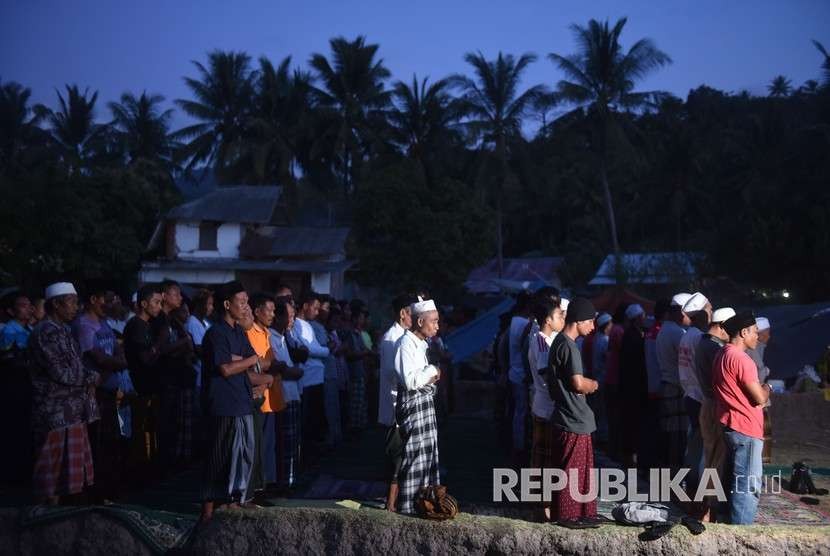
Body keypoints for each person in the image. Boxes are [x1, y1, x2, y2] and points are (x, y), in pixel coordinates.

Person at [28, 282, 99, 504]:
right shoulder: (46, 333)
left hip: (70, 411)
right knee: (51, 472)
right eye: (72, 302)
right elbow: (61, 373)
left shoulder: (63, 330)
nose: (76, 307)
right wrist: (91, 377)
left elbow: (75, 366)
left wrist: (89, 375)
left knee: (63, 475)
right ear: (56, 304)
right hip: (55, 413)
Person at [200, 281, 263, 521]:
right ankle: (206, 512)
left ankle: (234, 502)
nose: (246, 307)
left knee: (241, 455)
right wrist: (246, 360)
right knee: (219, 456)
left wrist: (246, 362)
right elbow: (226, 368)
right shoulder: (216, 332)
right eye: (242, 302)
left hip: (241, 401)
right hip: (223, 403)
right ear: (227, 304)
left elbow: (253, 362)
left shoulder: (238, 331)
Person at [546, 297, 606, 529]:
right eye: (590, 321)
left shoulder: (562, 342)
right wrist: (594, 385)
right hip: (571, 417)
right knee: (572, 471)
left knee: (583, 471)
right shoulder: (568, 346)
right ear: (579, 321)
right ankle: (568, 515)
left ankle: (586, 512)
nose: (593, 327)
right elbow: (578, 383)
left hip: (577, 417)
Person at [73, 283, 130, 501]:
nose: (111, 303)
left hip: (108, 388)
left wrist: (117, 361)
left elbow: (116, 350)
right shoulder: (83, 325)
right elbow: (99, 358)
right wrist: (118, 363)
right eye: (107, 298)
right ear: (94, 299)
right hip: (93, 391)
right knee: (97, 441)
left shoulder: (103, 322)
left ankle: (108, 487)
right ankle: (93, 491)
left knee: (111, 441)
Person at [713, 311, 770, 525]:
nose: (757, 336)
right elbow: (759, 399)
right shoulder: (741, 359)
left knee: (732, 481)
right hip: (745, 428)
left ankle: (727, 527)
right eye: (755, 332)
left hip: (731, 425)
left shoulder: (722, 353)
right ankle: (741, 535)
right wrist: (768, 387)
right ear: (744, 332)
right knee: (747, 486)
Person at [393, 297, 443, 514]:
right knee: (414, 457)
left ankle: (423, 503)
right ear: (420, 322)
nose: (437, 326)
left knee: (427, 454)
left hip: (423, 406)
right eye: (434, 321)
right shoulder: (405, 344)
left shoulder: (421, 344)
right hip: (414, 407)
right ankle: (408, 507)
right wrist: (432, 371)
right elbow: (411, 381)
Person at [695, 306, 735, 521]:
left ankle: (707, 505)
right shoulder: (713, 348)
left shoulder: (703, 342)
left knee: (710, 457)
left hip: (707, 404)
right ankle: (710, 508)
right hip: (714, 406)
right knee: (716, 460)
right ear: (722, 327)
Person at [527, 295, 565, 521]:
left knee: (547, 458)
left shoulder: (548, 339)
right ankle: (543, 507)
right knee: (545, 459)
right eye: (559, 315)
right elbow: (544, 371)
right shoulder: (541, 340)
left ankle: (545, 505)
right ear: (548, 320)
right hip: (546, 405)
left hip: (546, 404)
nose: (562, 319)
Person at [378, 293, 417, 512]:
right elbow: (397, 375)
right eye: (413, 313)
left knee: (402, 456)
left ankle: (396, 500)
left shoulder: (402, 336)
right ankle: (391, 503)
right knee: (396, 458)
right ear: (403, 314)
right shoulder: (392, 338)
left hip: (401, 405)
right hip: (395, 406)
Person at [153, 280, 196, 470]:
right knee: (166, 425)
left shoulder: (172, 320)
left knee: (175, 424)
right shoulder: (159, 320)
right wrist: (183, 344)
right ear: (164, 296)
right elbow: (160, 349)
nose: (179, 297)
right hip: (165, 378)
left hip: (178, 377)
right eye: (175, 294)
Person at [123, 284, 164, 482]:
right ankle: (139, 475)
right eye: (156, 302)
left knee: (150, 430)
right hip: (140, 387)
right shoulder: (136, 326)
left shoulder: (147, 325)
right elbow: (145, 358)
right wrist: (160, 343)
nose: (159, 306)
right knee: (142, 433)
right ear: (143, 303)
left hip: (151, 386)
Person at [245, 294, 285, 491]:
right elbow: (257, 365)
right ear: (257, 311)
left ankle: (265, 483)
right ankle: (256, 486)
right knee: (259, 444)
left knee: (268, 444)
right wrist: (274, 365)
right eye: (268, 310)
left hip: (272, 396)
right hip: (260, 396)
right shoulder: (250, 332)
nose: (272, 314)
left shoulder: (266, 332)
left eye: (273, 310)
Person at [677, 292, 712, 494]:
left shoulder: (686, 336)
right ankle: (697, 489)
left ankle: (691, 485)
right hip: (699, 396)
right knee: (701, 447)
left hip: (689, 394)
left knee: (694, 444)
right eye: (709, 309)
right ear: (701, 314)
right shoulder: (699, 338)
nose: (711, 313)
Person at [293, 291, 331, 463]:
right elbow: (309, 349)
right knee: (307, 421)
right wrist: (327, 350)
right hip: (308, 378)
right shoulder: (297, 325)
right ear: (306, 306)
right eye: (315, 308)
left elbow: (315, 348)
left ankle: (311, 455)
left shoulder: (308, 325)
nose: (317, 312)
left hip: (317, 376)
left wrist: (322, 350)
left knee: (316, 420)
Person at [270, 298, 304, 492]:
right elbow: (283, 370)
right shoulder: (272, 337)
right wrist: (293, 372)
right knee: (284, 442)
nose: (292, 320)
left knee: (293, 442)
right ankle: (283, 483)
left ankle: (290, 481)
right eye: (289, 316)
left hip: (292, 393)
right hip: (282, 395)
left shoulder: (286, 338)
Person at [656, 292, 692, 470]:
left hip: (667, 385)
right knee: (677, 437)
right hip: (676, 387)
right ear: (680, 312)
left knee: (670, 435)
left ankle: (669, 478)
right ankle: (674, 480)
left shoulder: (665, 329)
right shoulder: (677, 332)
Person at [619, 303, 647, 468]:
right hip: (634, 386)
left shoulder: (631, 334)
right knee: (632, 423)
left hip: (630, 385)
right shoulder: (633, 336)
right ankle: (630, 457)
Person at [507, 291, 533, 463]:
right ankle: (521, 448)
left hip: (513, 372)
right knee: (523, 413)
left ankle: (518, 446)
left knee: (518, 413)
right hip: (522, 374)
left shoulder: (514, 321)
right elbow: (526, 351)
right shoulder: (526, 323)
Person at [589, 313, 612, 445]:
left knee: (597, 408)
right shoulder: (604, 341)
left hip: (597, 376)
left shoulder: (597, 338)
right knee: (602, 409)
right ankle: (602, 437)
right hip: (602, 378)